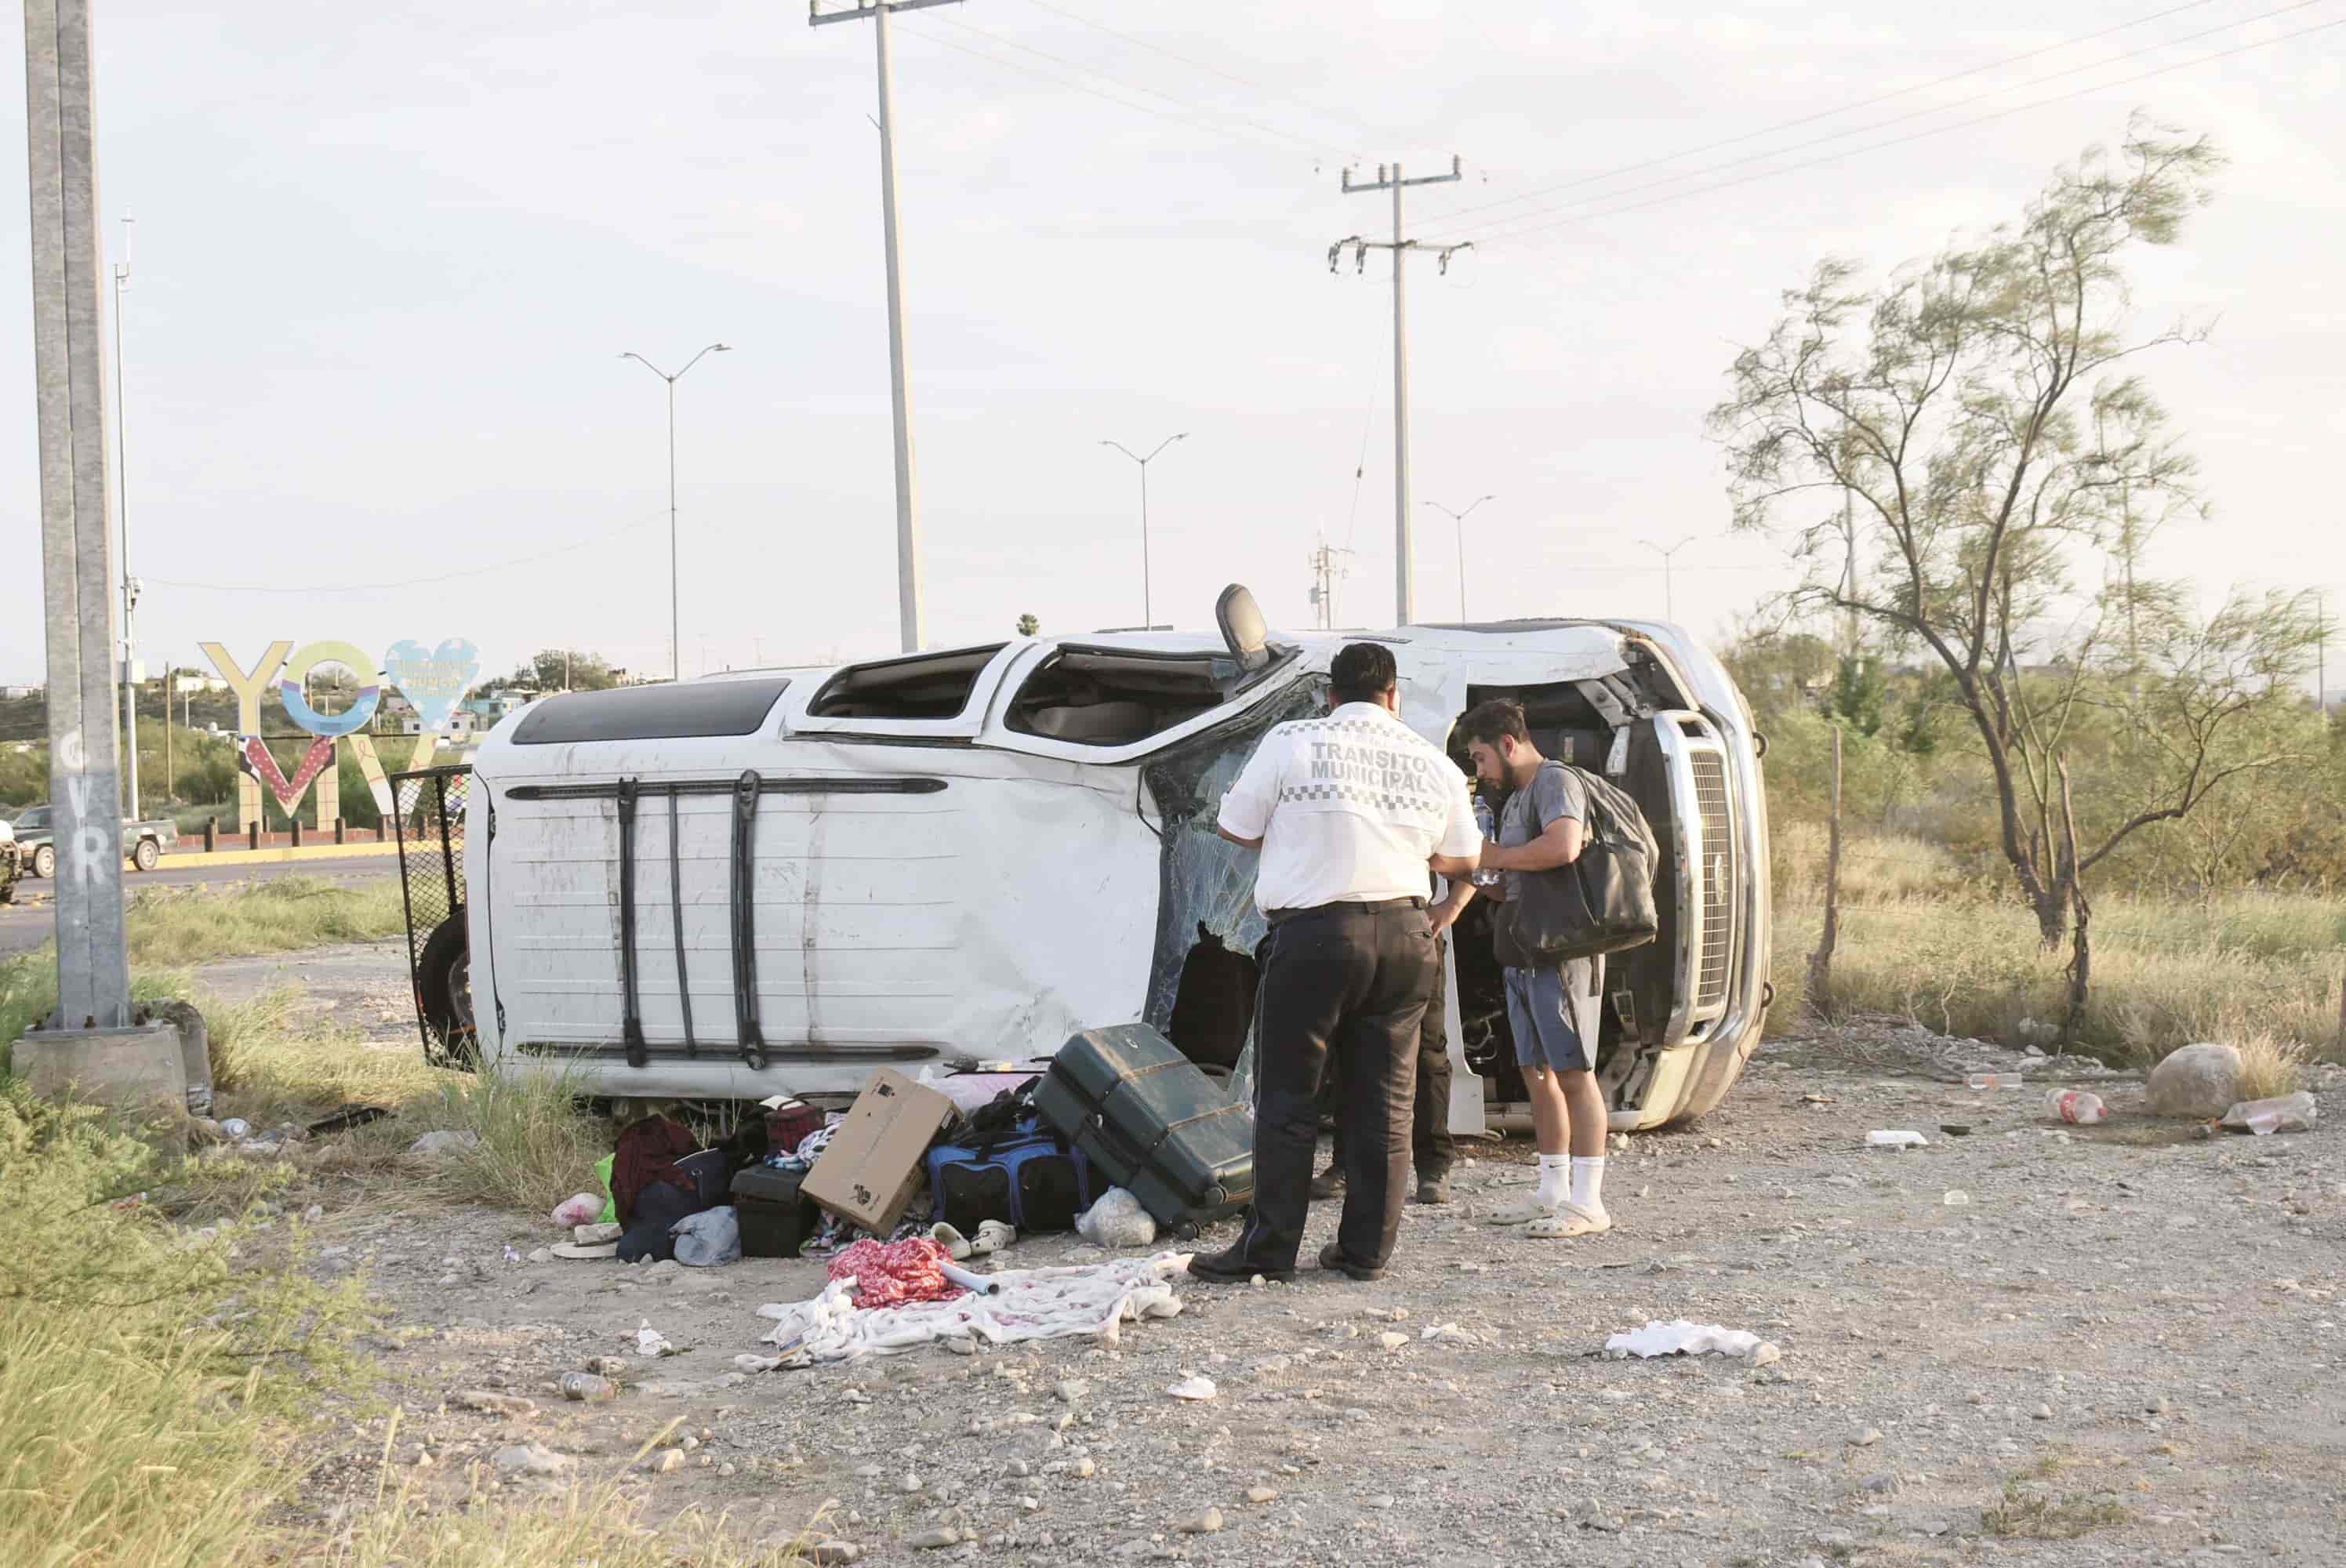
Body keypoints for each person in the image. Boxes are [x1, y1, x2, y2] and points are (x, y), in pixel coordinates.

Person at [1188, 643, 1482, 1284]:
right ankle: (1364, 1254)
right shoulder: (1431, 759)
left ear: (1331, 696)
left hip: (1316, 937)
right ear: (1394, 696)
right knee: (1387, 1101)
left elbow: (1236, 827)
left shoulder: (1292, 740)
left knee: (1290, 1099)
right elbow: (1460, 861)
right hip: (1408, 937)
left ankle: (1268, 1253)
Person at [1456, 699, 1613, 1239]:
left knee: (1573, 1072)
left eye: (1479, 758)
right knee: (1537, 1072)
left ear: (1506, 743)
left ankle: (1589, 1202)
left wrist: (1492, 855)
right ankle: (1553, 1191)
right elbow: (1513, 876)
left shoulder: (1554, 782)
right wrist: (1470, 869)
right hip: (1524, 947)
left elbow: (1564, 846)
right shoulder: (1517, 796)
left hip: (1560, 950)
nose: (1480, 771)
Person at [1312, 913, 1459, 1206]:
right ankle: (1347, 1165)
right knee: (1349, 1049)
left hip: (1413, 935)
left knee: (1427, 1053)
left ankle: (1433, 1166)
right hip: (1353, 935)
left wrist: (1453, 905)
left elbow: (1468, 867)